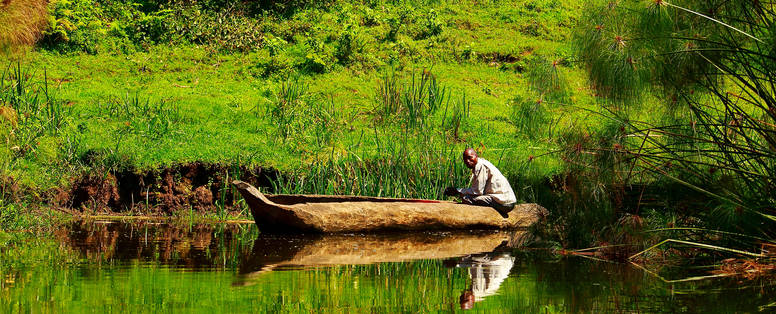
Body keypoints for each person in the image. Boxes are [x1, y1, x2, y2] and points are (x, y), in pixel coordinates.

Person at [445, 148, 517, 218]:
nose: (467, 161)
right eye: (465, 159)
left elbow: (477, 191)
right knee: (469, 197)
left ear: (476, 156)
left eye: (470, 157)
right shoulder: (481, 164)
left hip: (504, 203)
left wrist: (457, 190)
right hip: (507, 201)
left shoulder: (480, 166)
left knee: (466, 199)